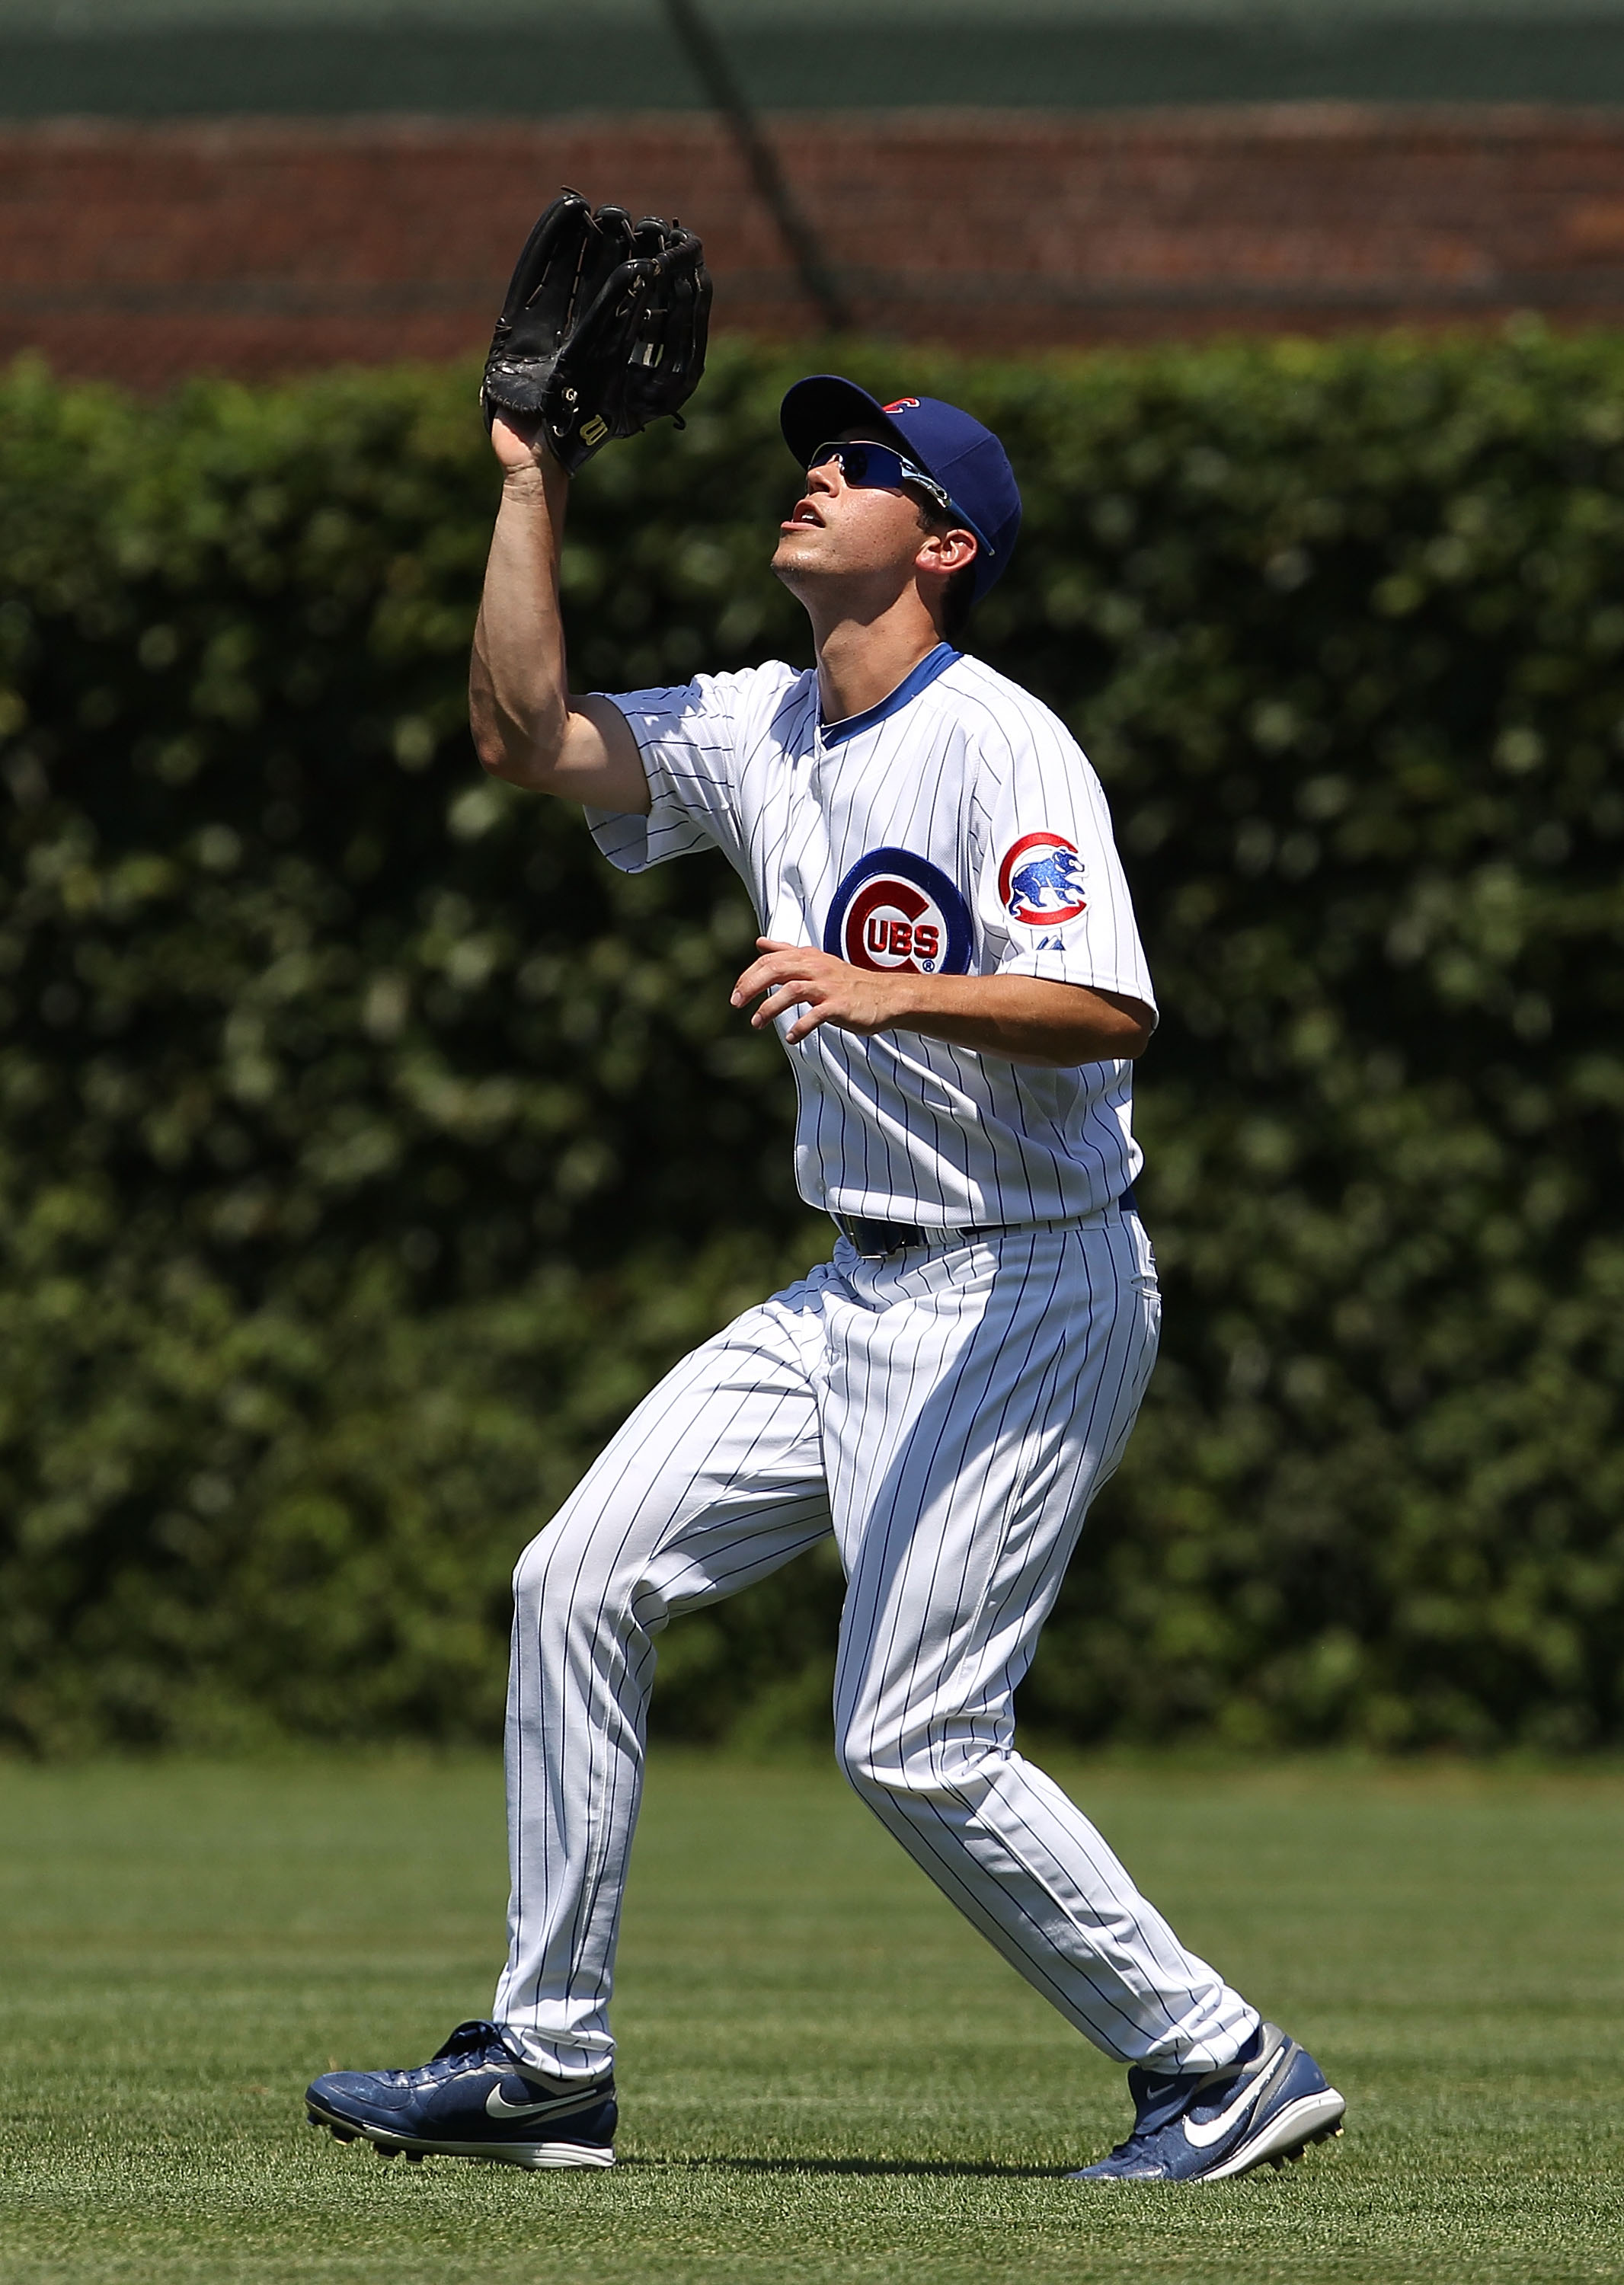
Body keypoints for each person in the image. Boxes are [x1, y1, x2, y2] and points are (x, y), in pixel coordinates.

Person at [304, 376, 1347, 2184]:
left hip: (1029, 1291)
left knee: (914, 1737)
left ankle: (1219, 2059)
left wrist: (885, 990)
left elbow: (1108, 1007)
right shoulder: (756, 726)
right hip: (847, 1291)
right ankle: (549, 2064)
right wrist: (529, 485)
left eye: (866, 463)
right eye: (821, 447)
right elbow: (525, 735)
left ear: (939, 545)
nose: (820, 468)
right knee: (574, 1582)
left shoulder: (1001, 743)